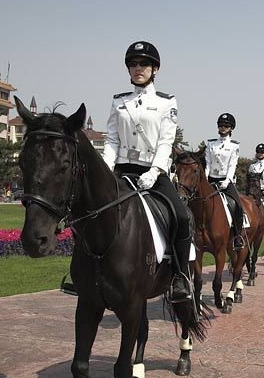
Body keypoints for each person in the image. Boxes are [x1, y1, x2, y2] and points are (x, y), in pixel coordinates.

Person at [102, 40, 192, 303]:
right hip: (122, 170)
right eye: (133, 64)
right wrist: (107, 168)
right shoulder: (119, 101)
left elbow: (166, 141)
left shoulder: (166, 102)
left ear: (155, 69)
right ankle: (84, 273)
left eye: (144, 64)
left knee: (181, 216)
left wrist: (155, 171)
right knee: (89, 211)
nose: (138, 68)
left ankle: (179, 276)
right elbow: (111, 140)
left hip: (153, 172)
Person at [205, 112, 244, 249]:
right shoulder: (210, 144)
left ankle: (238, 236)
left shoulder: (234, 145)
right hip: (211, 179)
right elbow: (208, 163)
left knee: (238, 206)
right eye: (221, 125)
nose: (223, 128)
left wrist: (227, 180)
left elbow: (232, 164)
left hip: (225, 181)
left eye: (226, 126)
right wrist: (205, 177)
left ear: (231, 128)